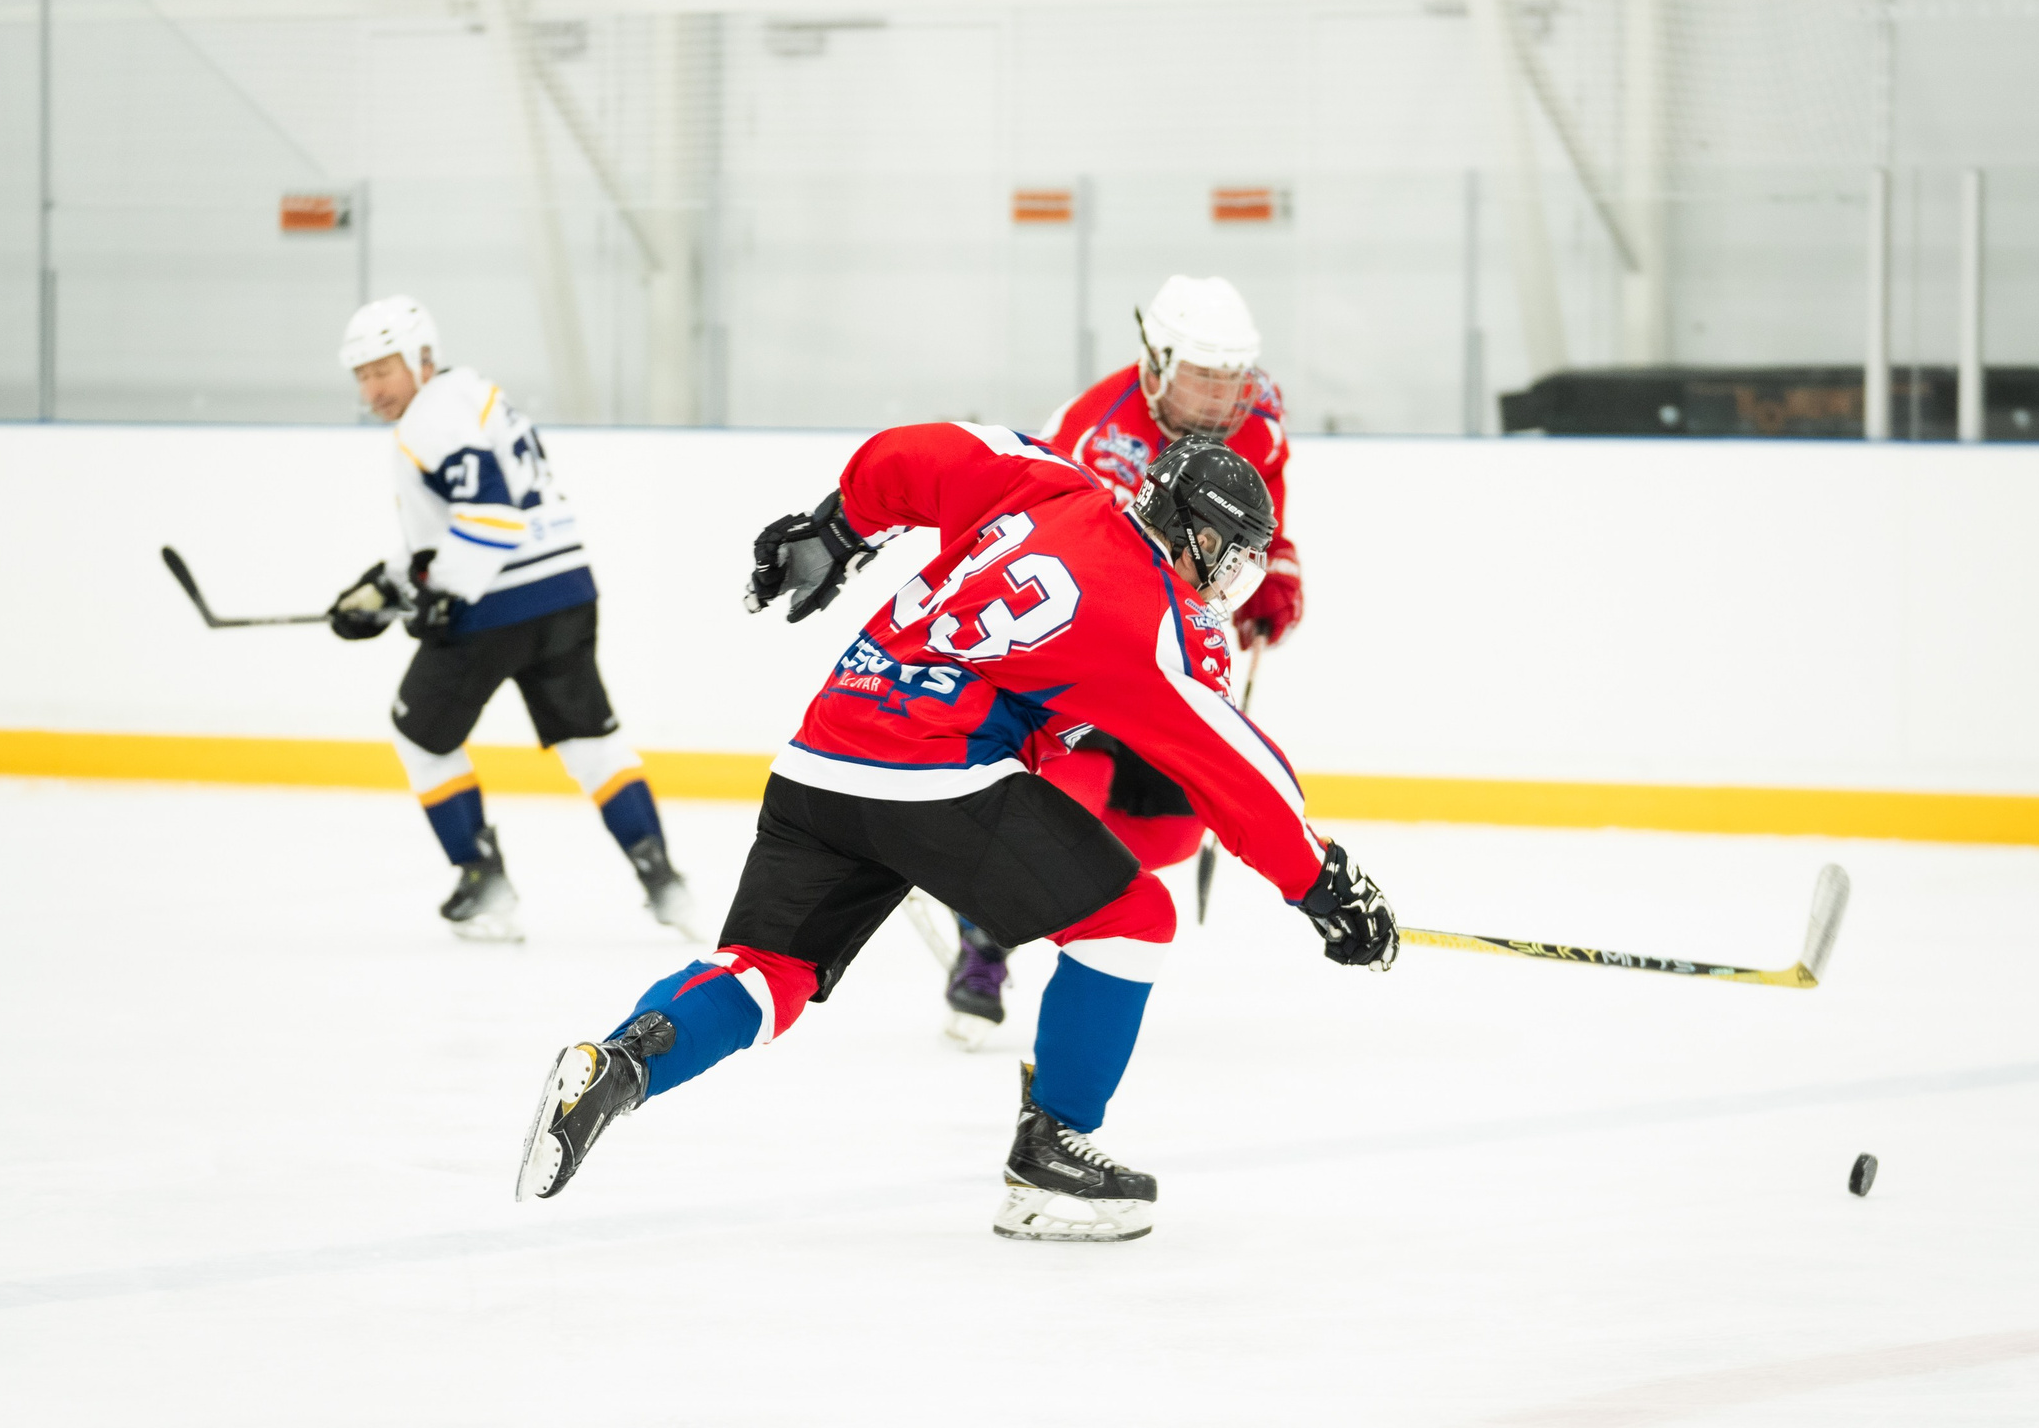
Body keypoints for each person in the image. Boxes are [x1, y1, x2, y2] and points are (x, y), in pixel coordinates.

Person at [513, 422, 1397, 1242]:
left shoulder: (1056, 482)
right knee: (1133, 919)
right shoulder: (1156, 619)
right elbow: (1231, 765)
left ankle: (621, 1063)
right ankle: (1052, 1156)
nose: (1227, 582)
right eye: (1226, 556)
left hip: (823, 752)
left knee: (766, 971)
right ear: (1188, 527)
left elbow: (924, 453)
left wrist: (842, 524)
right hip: (939, 773)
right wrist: (1321, 881)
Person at [937, 274, 1305, 1045]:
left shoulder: (1261, 421)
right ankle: (985, 935)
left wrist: (1270, 573)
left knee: (1166, 833)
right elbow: (1042, 539)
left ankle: (1006, 877)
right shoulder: (1093, 433)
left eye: (1233, 377)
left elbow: (1262, 506)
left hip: (1181, 647)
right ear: (1159, 359)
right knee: (1075, 788)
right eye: (1206, 376)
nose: (1222, 397)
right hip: (1093, 643)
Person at [327, 295, 695, 943]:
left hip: (498, 601)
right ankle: (665, 884)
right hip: (566, 591)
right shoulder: (474, 394)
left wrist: (439, 592)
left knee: (421, 737)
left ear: (422, 359)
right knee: (592, 746)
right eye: (361, 375)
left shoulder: (427, 422)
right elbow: (469, 517)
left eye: (383, 369)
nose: (373, 388)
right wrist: (387, 585)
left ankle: (484, 883)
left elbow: (490, 519)